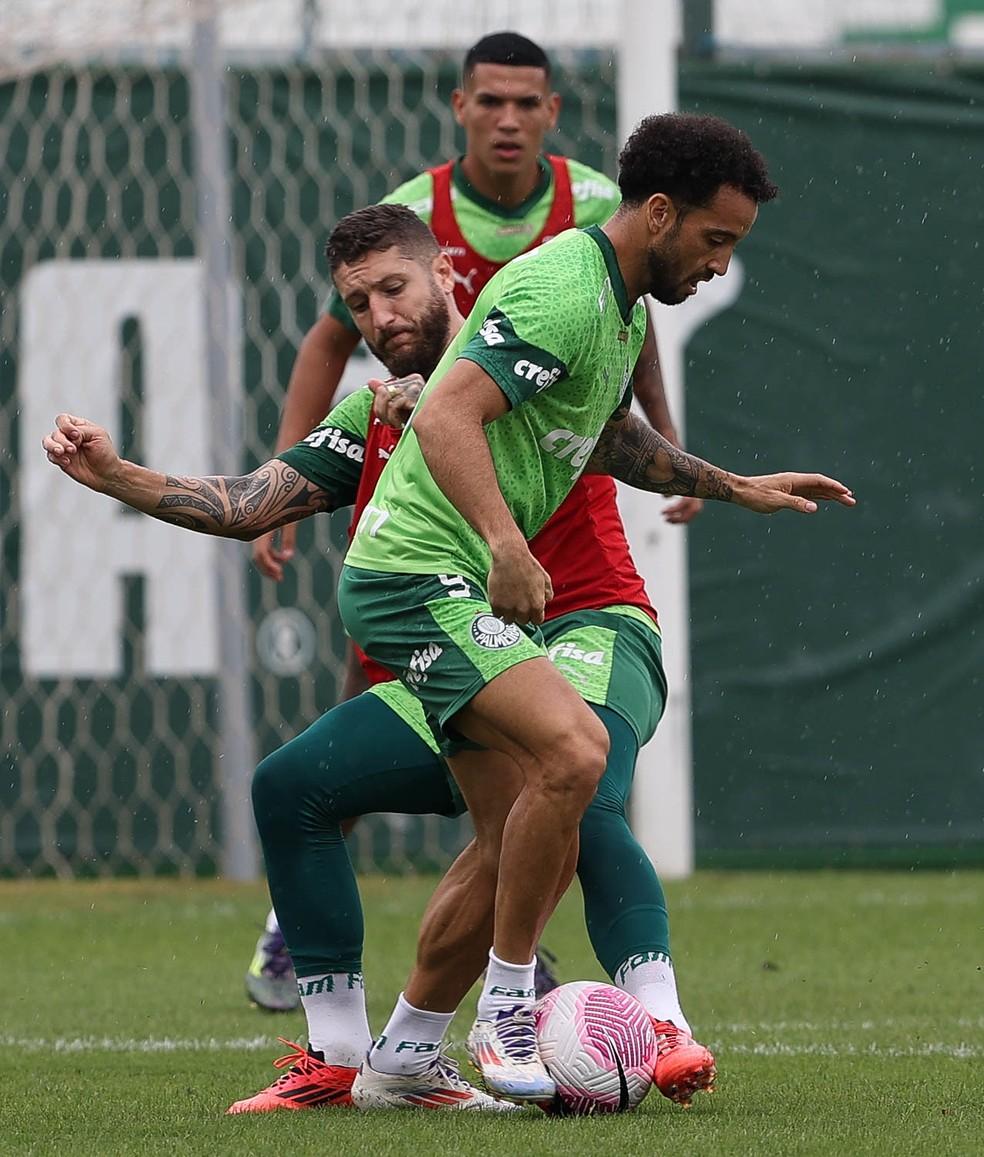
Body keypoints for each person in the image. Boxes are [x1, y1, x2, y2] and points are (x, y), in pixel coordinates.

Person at [43, 204, 716, 1114]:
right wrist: (115, 474)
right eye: (358, 304)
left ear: (446, 274)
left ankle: (660, 1023)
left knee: (574, 772)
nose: (379, 317)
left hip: (589, 625)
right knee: (292, 786)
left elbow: (636, 445)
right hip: (465, 647)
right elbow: (247, 499)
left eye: (393, 288)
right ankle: (356, 1057)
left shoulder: (541, 353)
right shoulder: (375, 411)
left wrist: (731, 485)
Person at [336, 112, 855, 1104]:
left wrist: (733, 482)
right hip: (414, 575)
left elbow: (605, 436)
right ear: (660, 213)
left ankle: (400, 1054)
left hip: (440, 573)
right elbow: (447, 412)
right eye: (716, 239)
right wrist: (503, 543)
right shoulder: (564, 288)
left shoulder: (618, 305)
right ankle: (509, 1008)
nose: (717, 264)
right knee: (573, 753)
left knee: (516, 830)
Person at [244, 28, 703, 1011]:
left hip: (565, 533)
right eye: (487, 100)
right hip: (447, 530)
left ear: (552, 112)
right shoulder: (412, 219)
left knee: (576, 765)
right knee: (340, 755)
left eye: (525, 101)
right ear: (459, 107)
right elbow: (335, 342)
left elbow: (632, 324)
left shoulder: (594, 213)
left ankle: (636, 1012)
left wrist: (673, 443)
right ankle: (379, 968)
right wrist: (279, 487)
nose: (506, 117)